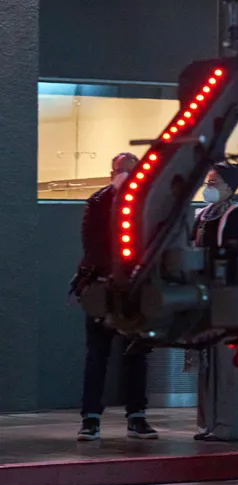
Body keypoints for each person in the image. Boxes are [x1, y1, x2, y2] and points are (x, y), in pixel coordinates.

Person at [73, 152, 159, 441]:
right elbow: (93, 245)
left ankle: (135, 416)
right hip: (105, 287)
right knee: (100, 354)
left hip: (132, 289)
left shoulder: (145, 202)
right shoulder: (101, 202)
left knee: (135, 352)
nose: (125, 175)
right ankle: (92, 418)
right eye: (122, 169)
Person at [191, 162, 238, 442]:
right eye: (207, 183)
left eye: (214, 183)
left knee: (229, 363)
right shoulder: (203, 214)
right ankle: (208, 423)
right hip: (206, 297)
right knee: (207, 362)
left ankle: (231, 425)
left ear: (229, 186)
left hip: (230, 297)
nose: (208, 188)